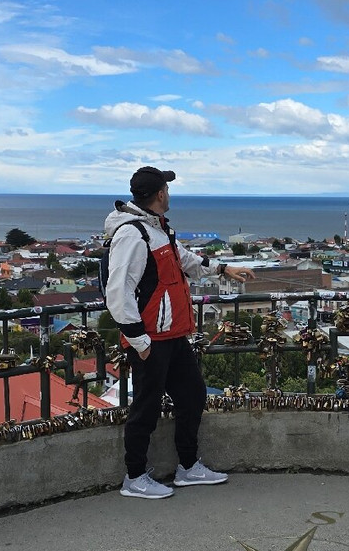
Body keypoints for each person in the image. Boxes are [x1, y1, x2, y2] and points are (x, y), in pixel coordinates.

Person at [104, 166, 253, 499]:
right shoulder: (133, 234)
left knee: (192, 396)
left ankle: (188, 466)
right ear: (160, 194)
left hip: (172, 334)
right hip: (150, 339)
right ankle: (134, 477)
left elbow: (185, 260)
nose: (169, 194)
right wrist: (139, 341)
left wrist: (224, 269)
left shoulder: (157, 229)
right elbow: (118, 291)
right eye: (167, 189)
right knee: (146, 408)